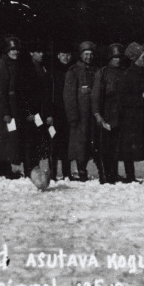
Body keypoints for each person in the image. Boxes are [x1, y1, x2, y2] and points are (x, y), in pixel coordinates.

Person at [92, 43, 130, 184]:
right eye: (115, 57)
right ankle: (104, 175)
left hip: (119, 115)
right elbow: (96, 95)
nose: (117, 60)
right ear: (109, 58)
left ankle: (113, 174)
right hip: (105, 115)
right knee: (104, 147)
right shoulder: (102, 73)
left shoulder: (124, 72)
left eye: (119, 57)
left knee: (115, 148)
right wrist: (97, 114)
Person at [64, 41, 101, 182]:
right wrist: (72, 116)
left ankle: (98, 168)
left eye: (91, 54)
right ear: (80, 55)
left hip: (93, 114)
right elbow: (69, 96)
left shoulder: (96, 70)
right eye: (86, 54)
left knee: (93, 142)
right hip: (80, 115)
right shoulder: (73, 71)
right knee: (80, 144)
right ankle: (81, 169)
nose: (89, 57)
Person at [0, 37, 27, 178]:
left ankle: (6, 168)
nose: (15, 52)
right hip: (5, 109)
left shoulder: (16, 64)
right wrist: (5, 111)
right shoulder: (2, 65)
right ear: (7, 51)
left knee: (10, 138)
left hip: (14, 107)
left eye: (17, 49)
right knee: (4, 138)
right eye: (12, 50)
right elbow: (0, 90)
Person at [119, 42, 144, 182]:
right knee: (129, 147)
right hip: (131, 117)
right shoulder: (127, 75)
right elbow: (123, 98)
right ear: (136, 58)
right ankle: (130, 176)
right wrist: (141, 96)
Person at [22, 42, 53, 178]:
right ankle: (29, 170)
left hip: (41, 112)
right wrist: (28, 112)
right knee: (30, 142)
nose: (41, 54)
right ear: (31, 53)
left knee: (39, 141)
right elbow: (23, 93)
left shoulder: (43, 68)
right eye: (38, 52)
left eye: (42, 52)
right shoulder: (27, 69)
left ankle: (37, 170)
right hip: (31, 112)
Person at [49, 45, 73, 180]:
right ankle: (52, 173)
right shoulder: (52, 72)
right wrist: (49, 114)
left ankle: (66, 173)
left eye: (68, 54)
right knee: (54, 143)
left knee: (67, 144)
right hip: (55, 114)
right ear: (58, 56)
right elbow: (47, 95)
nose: (66, 57)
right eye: (63, 54)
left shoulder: (72, 70)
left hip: (67, 113)